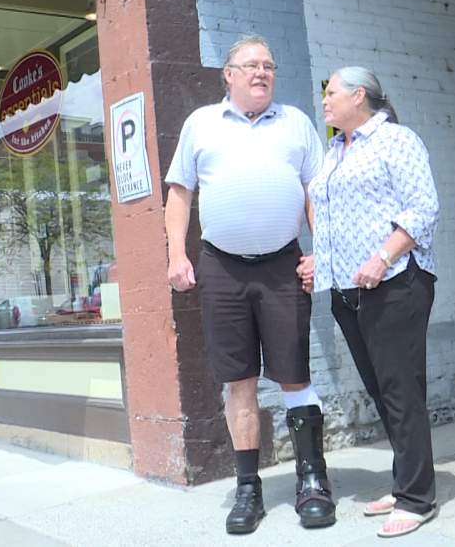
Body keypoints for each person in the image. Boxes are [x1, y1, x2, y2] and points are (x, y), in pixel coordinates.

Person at [165, 34, 332, 534]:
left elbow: (316, 194)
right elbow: (179, 194)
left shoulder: (298, 123)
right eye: (251, 65)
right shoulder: (201, 124)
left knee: (294, 374)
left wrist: (321, 251)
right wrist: (176, 254)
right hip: (222, 268)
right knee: (238, 380)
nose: (262, 72)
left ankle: (312, 480)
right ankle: (248, 489)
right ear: (229, 75)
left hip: (283, 266)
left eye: (269, 65)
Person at [298, 66, 441, 538]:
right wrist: (323, 258)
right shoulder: (336, 150)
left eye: (331, 92)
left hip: (396, 282)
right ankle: (406, 483)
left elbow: (422, 208)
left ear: (359, 96)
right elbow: (331, 211)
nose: (325, 100)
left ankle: (419, 498)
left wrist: (381, 257)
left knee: (401, 389)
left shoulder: (397, 141)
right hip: (347, 290)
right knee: (382, 390)